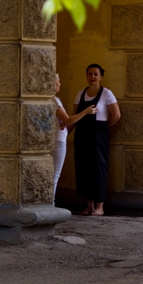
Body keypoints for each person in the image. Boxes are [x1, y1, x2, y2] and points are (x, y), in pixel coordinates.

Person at [72, 64, 121, 216]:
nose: (92, 77)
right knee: (84, 168)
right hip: (82, 134)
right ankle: (89, 205)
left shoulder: (106, 93)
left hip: (99, 135)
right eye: (90, 74)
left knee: (99, 168)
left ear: (101, 77)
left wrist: (103, 128)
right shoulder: (80, 94)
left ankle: (100, 206)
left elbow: (116, 115)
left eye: (95, 74)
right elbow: (75, 116)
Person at [51, 74, 98, 205]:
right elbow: (68, 120)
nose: (60, 84)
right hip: (58, 140)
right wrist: (85, 112)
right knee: (55, 175)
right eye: (58, 82)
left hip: (52, 138)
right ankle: (50, 202)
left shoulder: (48, 101)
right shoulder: (55, 101)